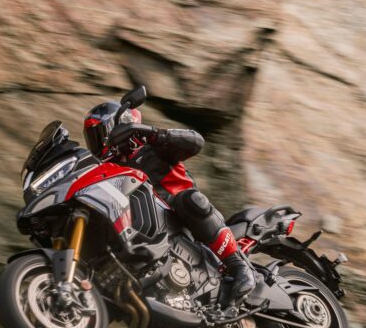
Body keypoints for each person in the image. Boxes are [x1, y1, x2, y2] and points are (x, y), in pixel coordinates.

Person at [82, 101, 256, 305]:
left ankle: (238, 266)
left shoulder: (151, 149)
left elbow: (196, 141)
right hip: (144, 230)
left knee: (191, 201)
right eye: (92, 137)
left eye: (100, 134)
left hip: (180, 219)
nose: (98, 143)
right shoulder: (107, 171)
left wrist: (154, 135)